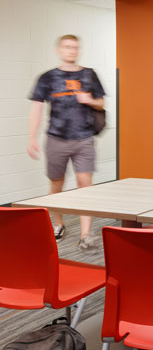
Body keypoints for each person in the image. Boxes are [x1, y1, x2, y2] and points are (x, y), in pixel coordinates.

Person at [27, 34, 105, 250]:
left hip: (84, 138)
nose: (72, 50)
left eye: (75, 47)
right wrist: (31, 137)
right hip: (56, 139)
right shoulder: (48, 77)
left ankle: (85, 234)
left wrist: (90, 100)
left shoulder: (90, 75)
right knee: (56, 184)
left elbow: (101, 103)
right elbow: (37, 108)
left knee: (85, 186)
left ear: (78, 50)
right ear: (59, 50)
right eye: (67, 47)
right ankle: (58, 224)